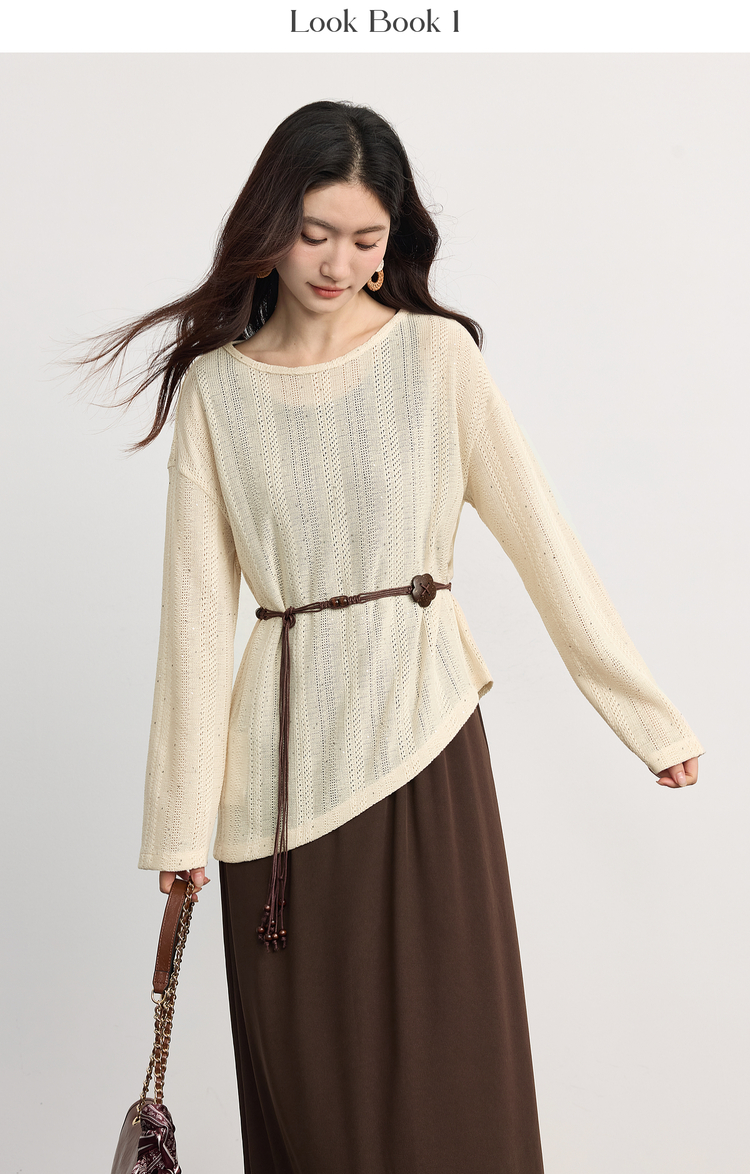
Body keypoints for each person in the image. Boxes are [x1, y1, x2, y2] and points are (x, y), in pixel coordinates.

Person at [79, 100, 702, 1174]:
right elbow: (194, 619)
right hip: (275, 801)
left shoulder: (436, 358)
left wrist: (646, 720)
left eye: (366, 239)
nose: (339, 263)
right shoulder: (219, 392)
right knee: (319, 1117)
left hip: (423, 752)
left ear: (395, 239)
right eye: (315, 233)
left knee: (453, 1096)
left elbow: (544, 542)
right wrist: (179, 826)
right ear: (270, 226)